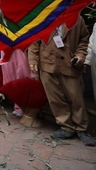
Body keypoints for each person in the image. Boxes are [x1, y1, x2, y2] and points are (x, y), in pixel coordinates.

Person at [28, 16, 95, 146]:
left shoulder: (77, 18)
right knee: (55, 98)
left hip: (70, 65)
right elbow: (34, 40)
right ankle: (66, 127)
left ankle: (81, 128)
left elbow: (84, 40)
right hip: (47, 64)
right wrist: (33, 60)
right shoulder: (44, 17)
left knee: (76, 98)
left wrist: (80, 56)